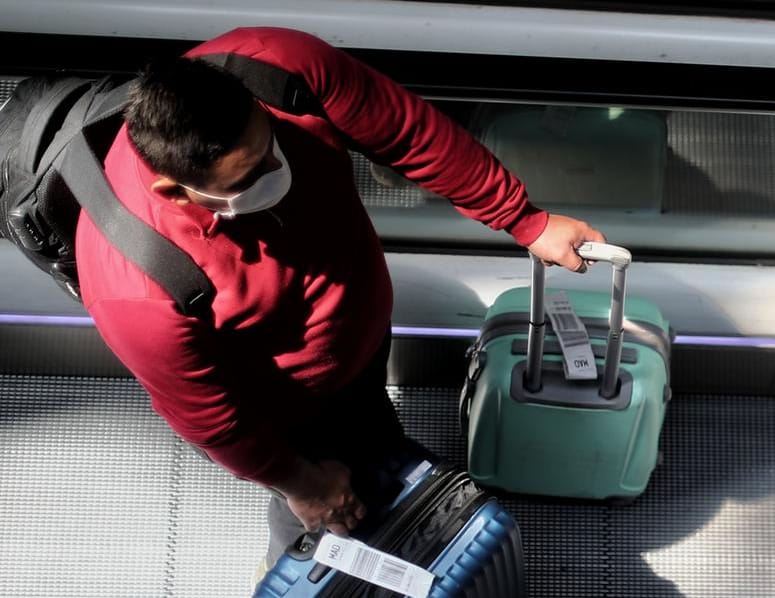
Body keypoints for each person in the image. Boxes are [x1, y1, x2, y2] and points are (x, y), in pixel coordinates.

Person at [73, 26, 605, 569]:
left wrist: (523, 220)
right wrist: (302, 483)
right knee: (318, 511)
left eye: (270, 145)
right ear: (174, 189)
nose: (278, 169)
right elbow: (213, 420)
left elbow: (409, 133)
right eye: (250, 175)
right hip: (284, 406)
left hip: (357, 336)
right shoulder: (137, 288)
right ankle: (300, 560)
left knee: (369, 438)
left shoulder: (279, 70)